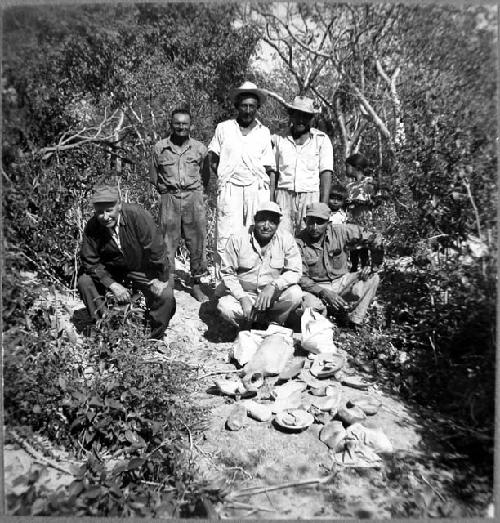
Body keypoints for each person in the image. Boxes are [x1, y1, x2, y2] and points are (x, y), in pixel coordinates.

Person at [77, 186, 176, 340]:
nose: (105, 216)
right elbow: (91, 262)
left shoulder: (137, 215)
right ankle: (106, 327)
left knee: (166, 295)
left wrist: (161, 278)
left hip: (142, 268)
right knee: (84, 281)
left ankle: (151, 336)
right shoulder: (92, 227)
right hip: (113, 270)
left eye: (109, 210)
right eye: (99, 212)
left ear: (119, 205)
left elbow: (157, 250)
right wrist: (111, 284)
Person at [208, 81, 276, 271]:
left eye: (252, 107)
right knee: (226, 234)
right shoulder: (224, 128)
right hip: (230, 188)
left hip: (256, 188)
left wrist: (269, 198)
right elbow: (213, 158)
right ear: (237, 106)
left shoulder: (264, 132)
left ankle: (253, 277)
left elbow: (270, 168)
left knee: (256, 232)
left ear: (257, 108)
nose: (247, 110)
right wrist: (225, 175)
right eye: (244, 106)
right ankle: (224, 280)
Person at [150, 108, 209, 302]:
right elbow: (154, 176)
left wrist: (196, 194)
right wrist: (167, 193)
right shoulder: (160, 147)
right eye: (177, 123)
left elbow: (206, 175)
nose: (181, 127)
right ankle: (170, 281)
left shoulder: (200, 148)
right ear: (171, 124)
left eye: (185, 123)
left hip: (193, 197)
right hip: (170, 198)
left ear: (191, 125)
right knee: (167, 241)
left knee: (197, 241)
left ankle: (197, 284)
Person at [217, 201, 303, 329]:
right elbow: (227, 273)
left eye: (272, 222)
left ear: (278, 224)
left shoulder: (286, 239)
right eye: (262, 220)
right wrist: (242, 298)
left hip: (272, 296)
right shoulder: (238, 239)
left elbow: (295, 271)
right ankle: (248, 323)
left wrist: (274, 285)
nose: (266, 226)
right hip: (246, 294)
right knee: (225, 307)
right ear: (255, 220)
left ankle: (272, 322)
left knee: (295, 294)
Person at [296, 202, 383, 329]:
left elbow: (374, 236)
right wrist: (323, 292)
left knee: (373, 278)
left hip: (342, 282)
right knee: (308, 306)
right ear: (305, 221)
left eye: (320, 222)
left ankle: (353, 321)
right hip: (316, 288)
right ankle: (329, 315)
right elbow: (300, 277)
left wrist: (372, 265)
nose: (314, 227)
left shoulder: (341, 231)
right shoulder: (298, 242)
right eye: (311, 222)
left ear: (328, 222)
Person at [272, 96, 333, 236]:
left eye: (305, 116)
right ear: (291, 116)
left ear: (311, 118)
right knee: (282, 239)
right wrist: (271, 201)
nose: (301, 120)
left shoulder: (321, 140)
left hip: (310, 196)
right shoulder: (278, 139)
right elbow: (273, 173)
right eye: (297, 115)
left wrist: (322, 206)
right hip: (283, 195)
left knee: (308, 239)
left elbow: (326, 173)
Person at [345, 153, 376, 271]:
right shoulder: (349, 186)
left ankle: (366, 269)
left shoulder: (369, 182)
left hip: (364, 221)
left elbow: (374, 200)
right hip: (352, 222)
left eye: (347, 166)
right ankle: (354, 271)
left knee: (364, 247)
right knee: (353, 247)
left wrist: (362, 203)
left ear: (356, 168)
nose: (346, 169)